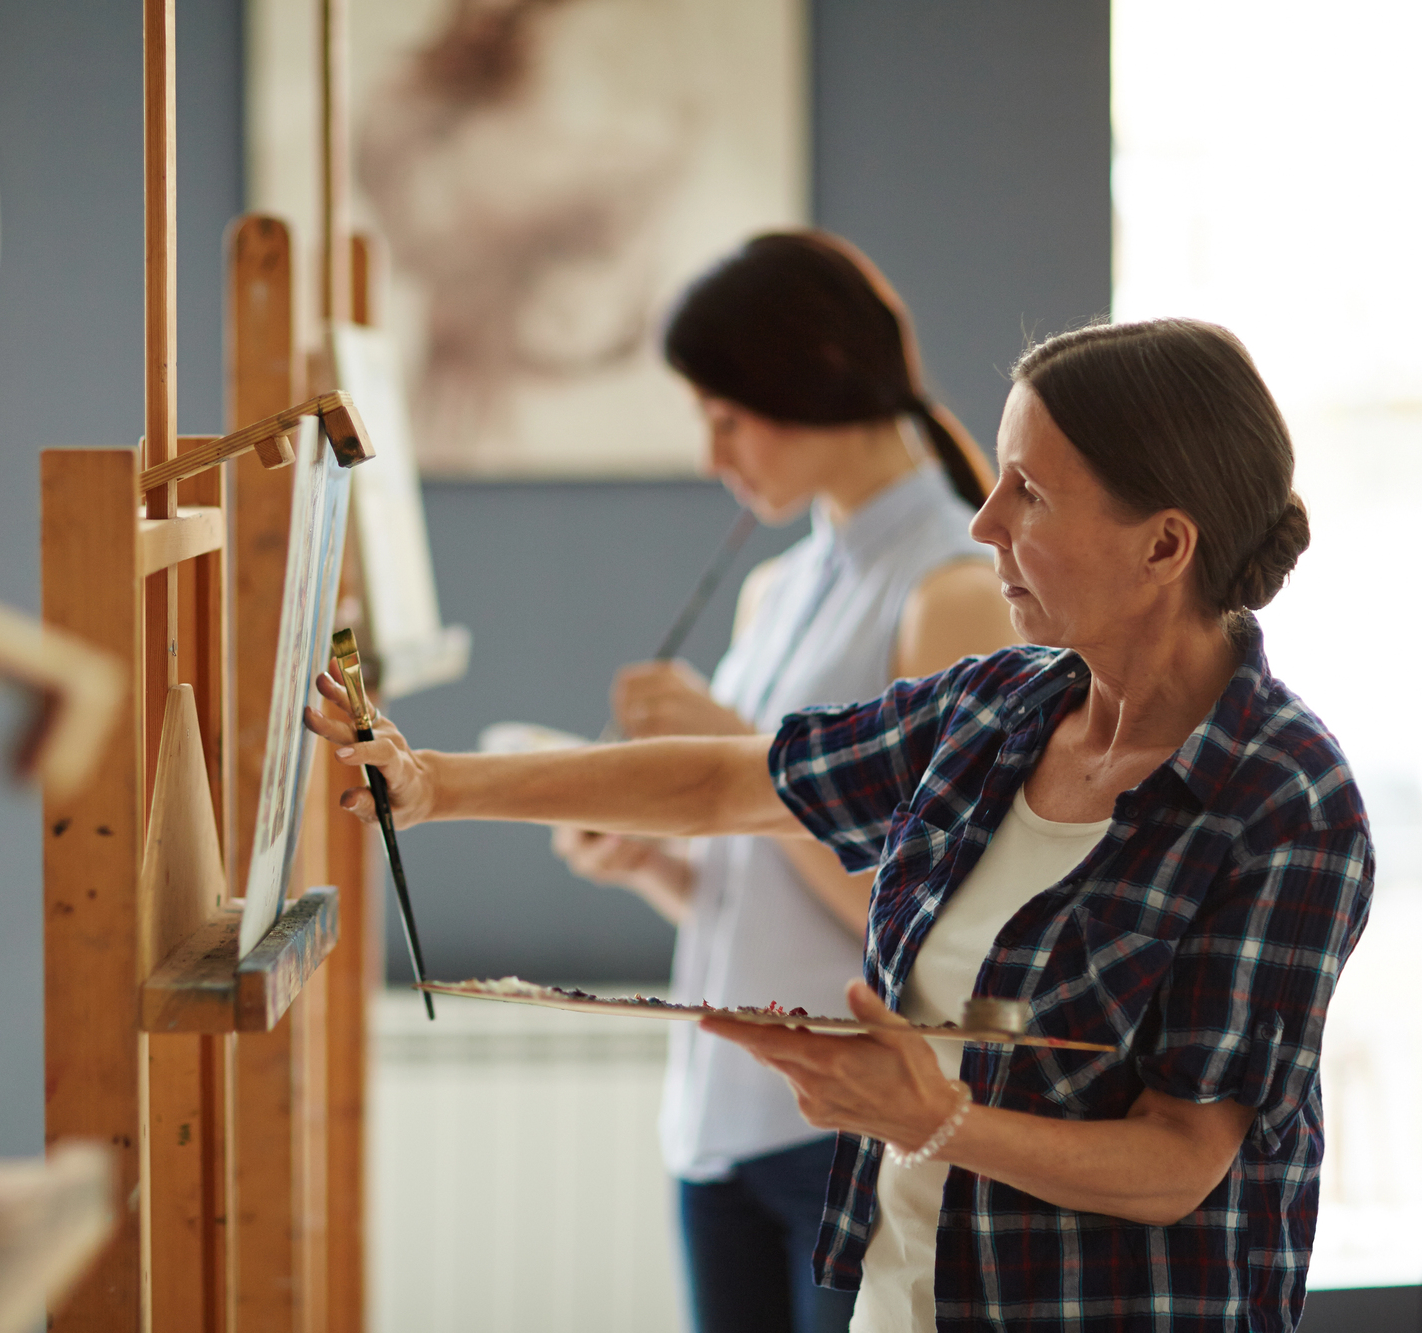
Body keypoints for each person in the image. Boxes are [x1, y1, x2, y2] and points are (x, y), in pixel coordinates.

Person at [307, 318, 1369, 1333]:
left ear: (1162, 546)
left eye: (1028, 492)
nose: (982, 518)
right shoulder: (996, 709)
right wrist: (436, 783)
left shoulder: (1284, 802)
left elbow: (1180, 1158)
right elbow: (733, 784)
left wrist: (934, 1122)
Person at [545, 231, 1015, 1333]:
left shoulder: (951, 591)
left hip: (850, 1130)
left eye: (725, 414)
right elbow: (762, 893)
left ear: (811, 372)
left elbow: (929, 928)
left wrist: (745, 751)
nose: (713, 454)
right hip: (719, 1126)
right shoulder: (774, 589)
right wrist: (655, 864)